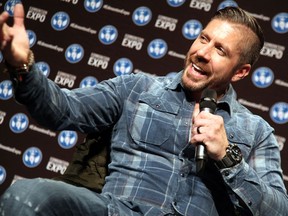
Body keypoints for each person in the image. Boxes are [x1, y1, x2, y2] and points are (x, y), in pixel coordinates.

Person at [0, 3, 287, 216]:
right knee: (29, 196)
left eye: (220, 50)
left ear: (240, 72)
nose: (201, 52)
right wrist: (22, 65)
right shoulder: (137, 89)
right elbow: (62, 110)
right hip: (117, 211)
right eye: (203, 38)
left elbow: (277, 210)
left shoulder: (257, 132)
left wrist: (228, 156)